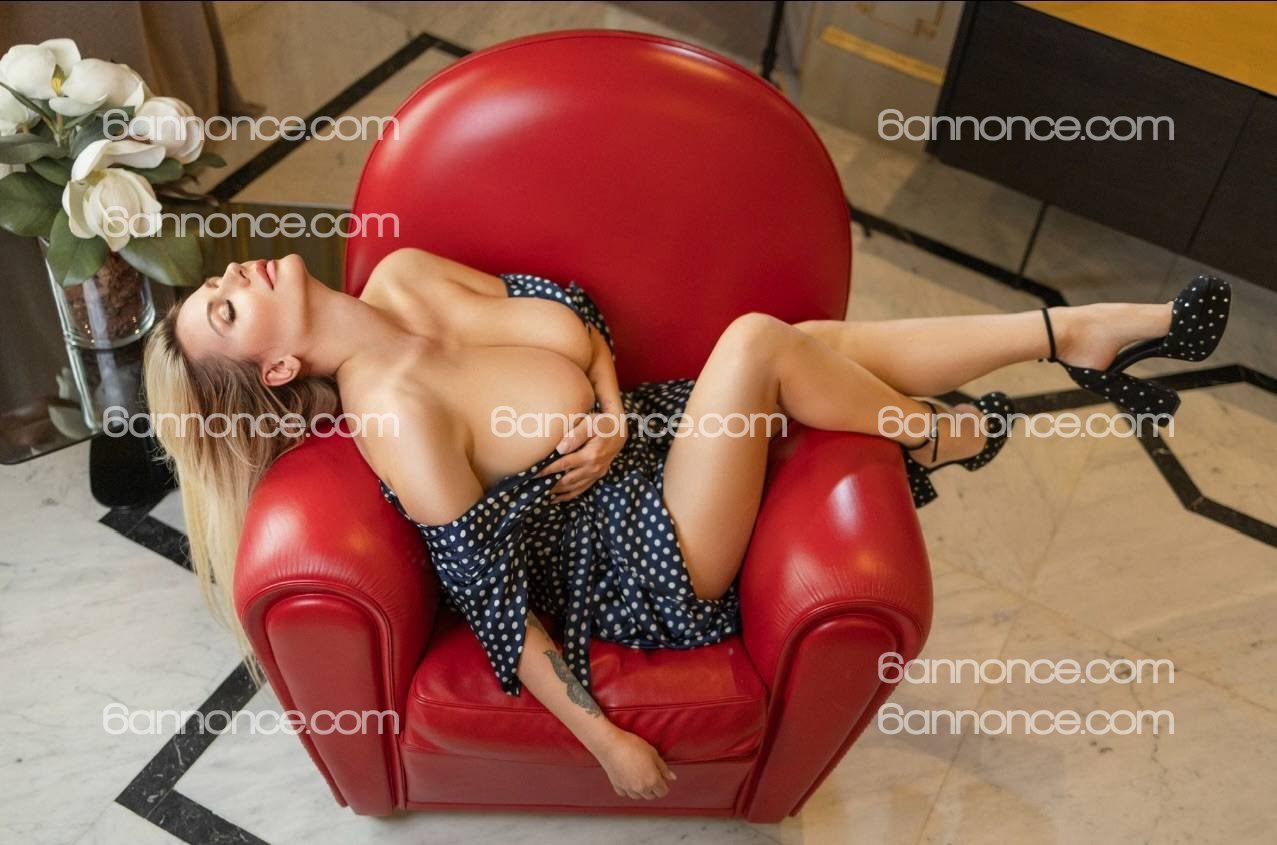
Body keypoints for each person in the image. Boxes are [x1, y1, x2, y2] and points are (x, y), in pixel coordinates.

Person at [142, 248, 1228, 801]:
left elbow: (572, 313)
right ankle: (937, 433)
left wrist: (610, 409)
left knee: (807, 338)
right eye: (226, 310)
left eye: (217, 285)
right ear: (276, 368)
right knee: (757, 342)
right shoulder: (392, 412)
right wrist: (604, 738)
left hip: (650, 435)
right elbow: (492, 599)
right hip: (646, 552)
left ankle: (1070, 331)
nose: (235, 276)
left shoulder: (405, 274)